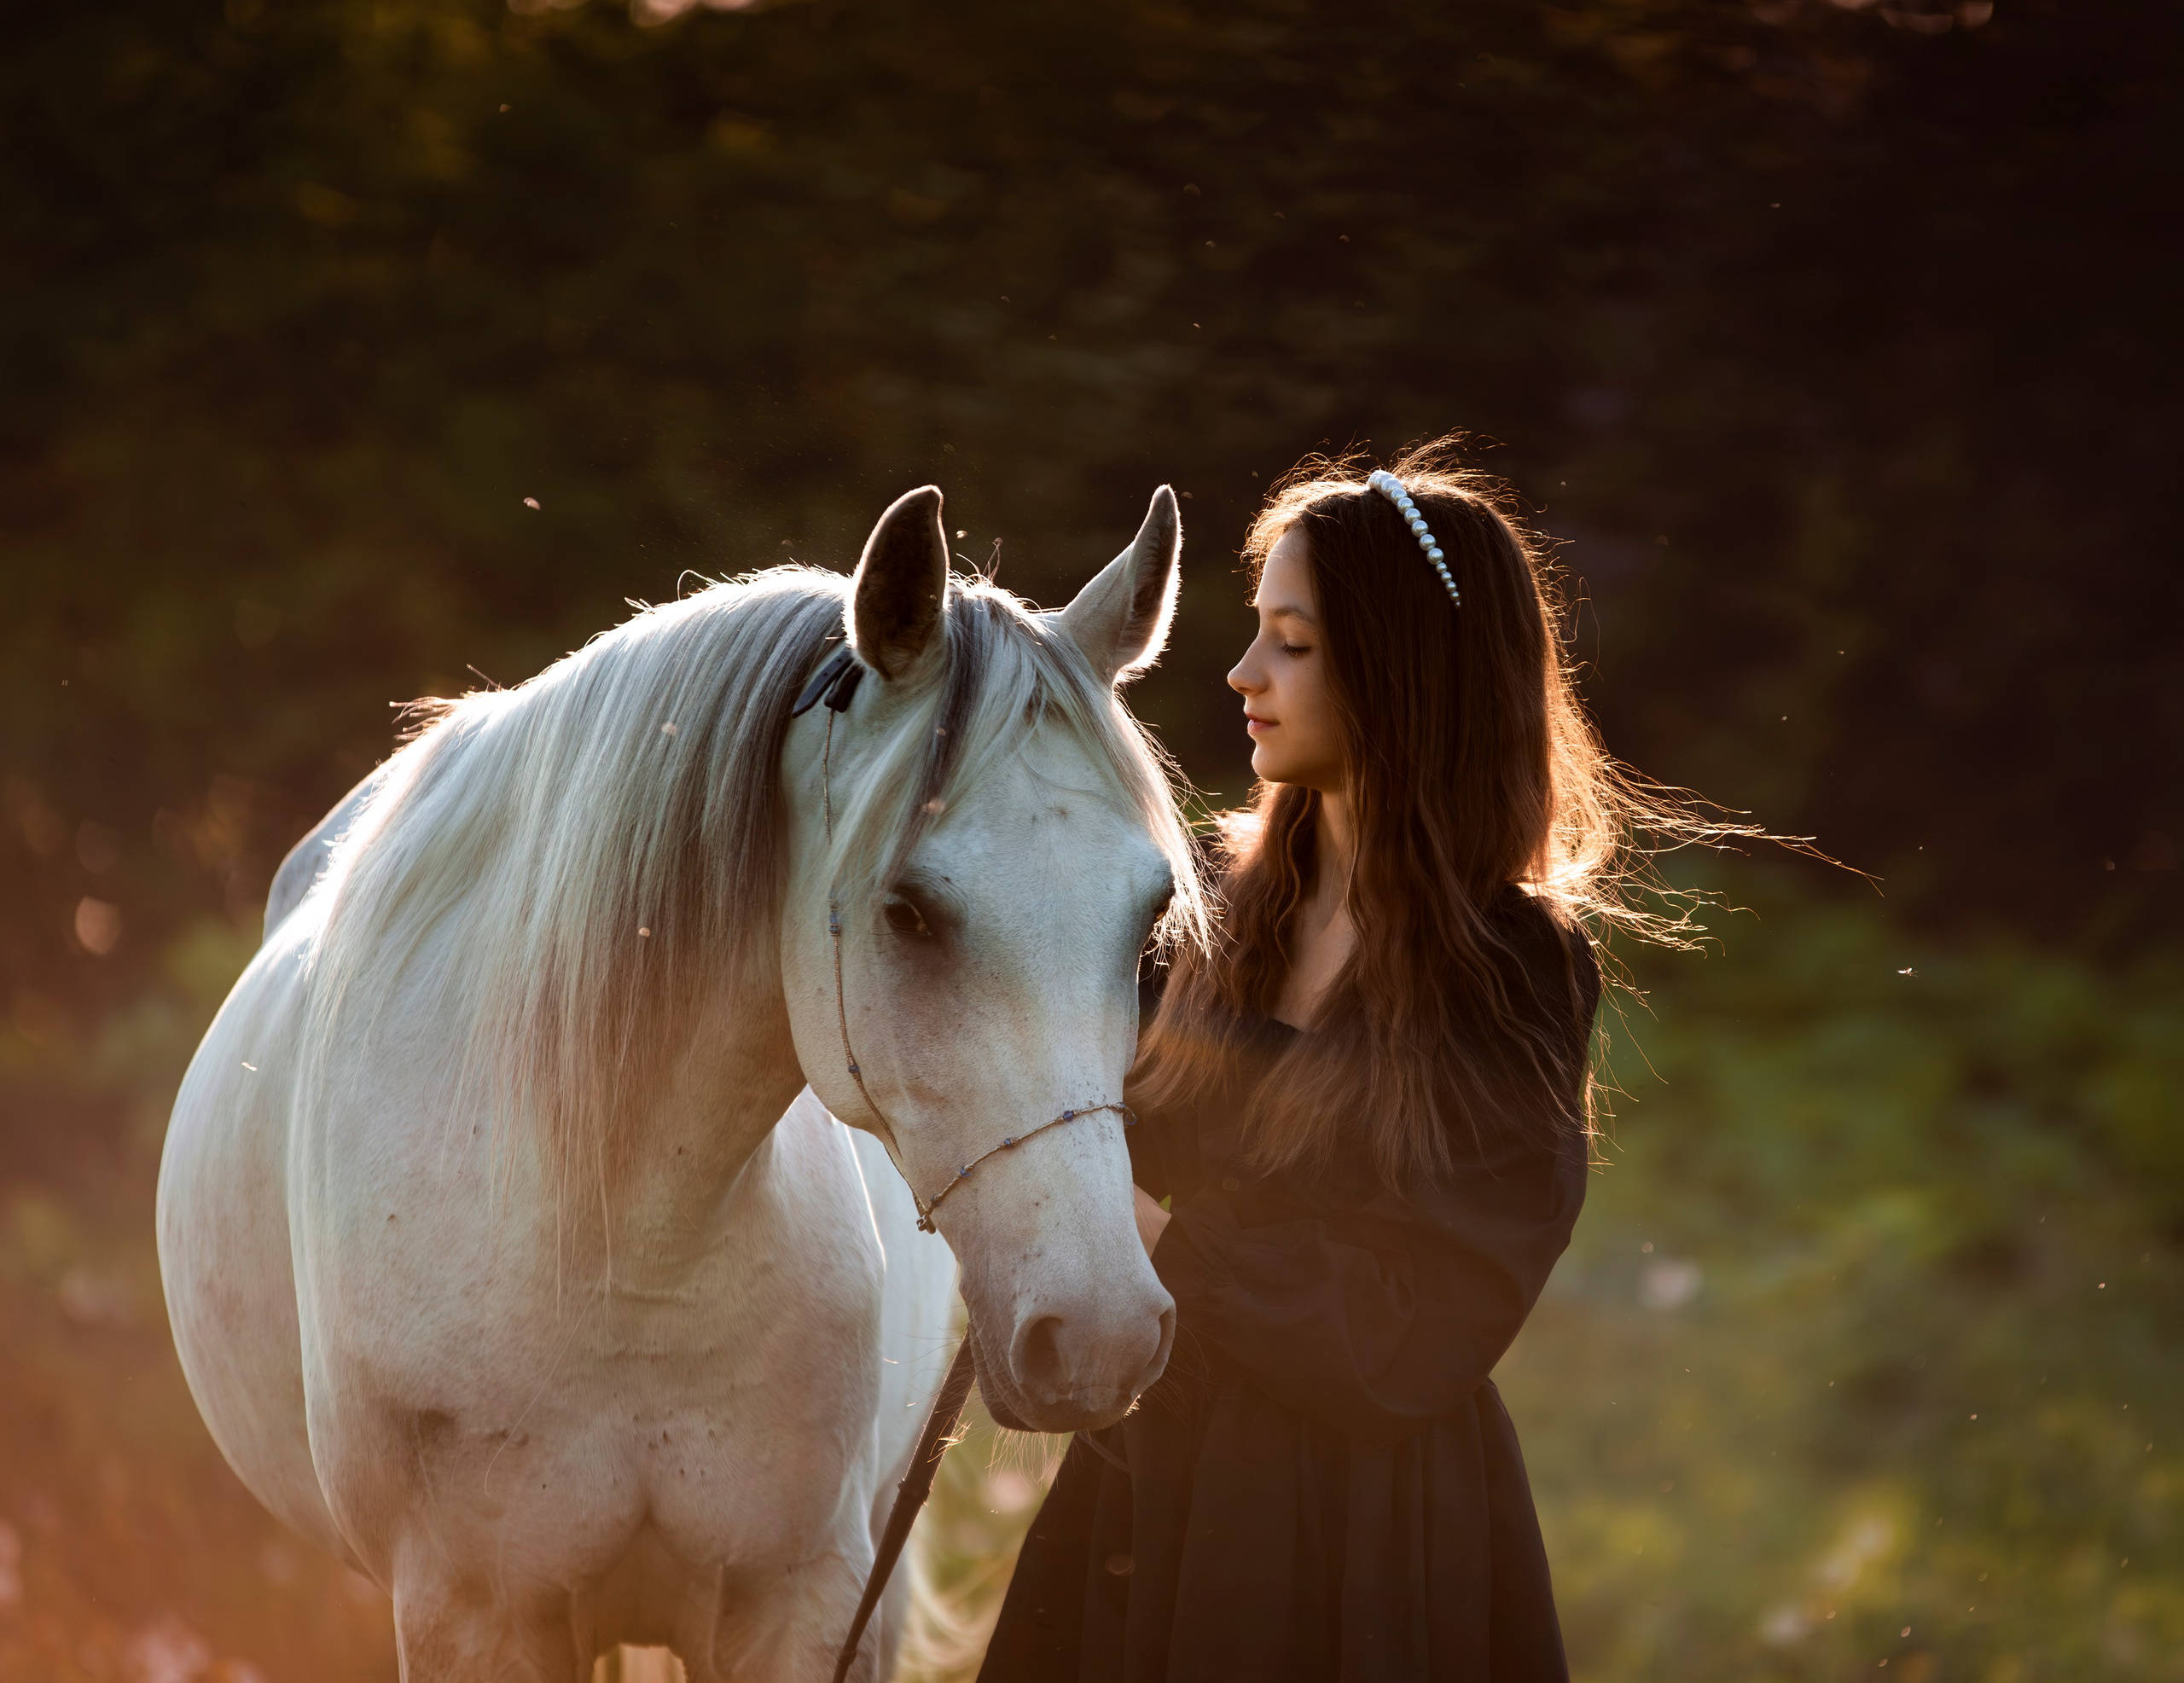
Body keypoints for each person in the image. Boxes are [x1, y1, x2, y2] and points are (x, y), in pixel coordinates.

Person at [979, 439, 1653, 1682]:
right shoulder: (1206, 909)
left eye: (1292, 641)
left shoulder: (1509, 968)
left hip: (1364, 1551)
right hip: (1149, 1499)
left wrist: (1173, 1242)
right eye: (1255, 632)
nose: (1241, 673)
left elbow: (1422, 1332)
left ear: (1403, 675)